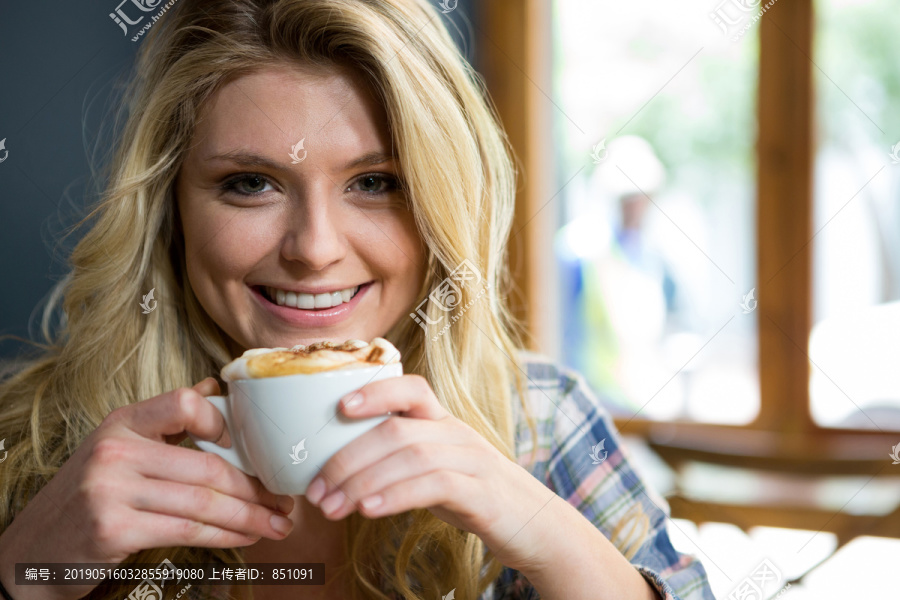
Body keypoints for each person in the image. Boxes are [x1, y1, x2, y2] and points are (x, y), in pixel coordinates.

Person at [0, 1, 715, 599]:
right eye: (251, 182)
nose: (313, 248)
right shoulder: (36, 439)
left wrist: (547, 538)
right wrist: (22, 576)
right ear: (169, 209)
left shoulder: (542, 421)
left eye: (375, 182)